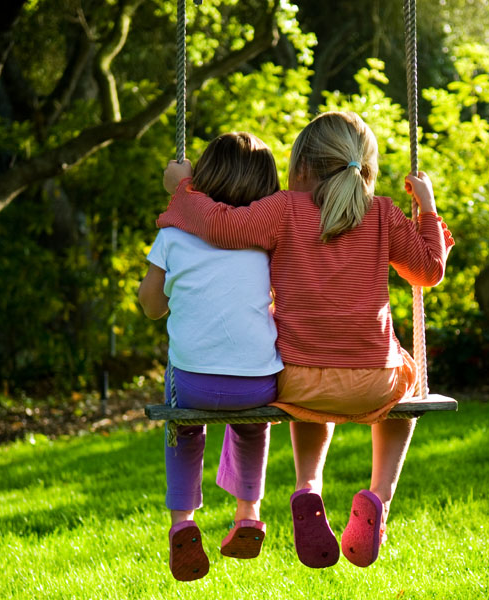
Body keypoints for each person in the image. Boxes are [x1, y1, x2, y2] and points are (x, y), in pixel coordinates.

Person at [158, 111, 455, 569]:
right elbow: (429, 271)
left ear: (299, 169)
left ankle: (307, 486)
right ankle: (380, 497)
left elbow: (220, 226)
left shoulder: (283, 210)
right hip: (373, 383)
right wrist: (429, 210)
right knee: (408, 386)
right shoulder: (384, 214)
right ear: (365, 168)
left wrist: (183, 190)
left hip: (297, 382)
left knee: (309, 380)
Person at [138, 132, 284, 581]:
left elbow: (150, 305)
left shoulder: (174, 234)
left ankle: (182, 524)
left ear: (204, 176)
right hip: (259, 383)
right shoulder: (265, 238)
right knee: (251, 426)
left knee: (184, 428)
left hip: (195, 382)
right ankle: (247, 514)